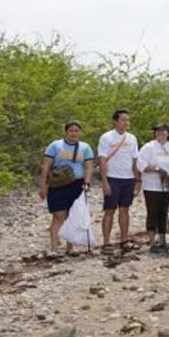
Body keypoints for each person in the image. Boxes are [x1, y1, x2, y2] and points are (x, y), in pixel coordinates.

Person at [39, 120, 94, 256]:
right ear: (66, 132)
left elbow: (88, 166)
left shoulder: (85, 147)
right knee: (58, 215)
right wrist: (43, 186)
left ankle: (70, 247)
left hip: (76, 184)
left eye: (76, 131)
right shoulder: (55, 146)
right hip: (58, 184)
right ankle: (54, 247)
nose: (74, 133)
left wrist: (87, 182)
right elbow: (46, 166)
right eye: (71, 130)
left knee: (72, 215)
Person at [97, 108, 140, 253]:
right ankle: (106, 242)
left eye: (127, 120)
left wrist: (137, 181)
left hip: (128, 179)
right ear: (115, 121)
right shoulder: (106, 137)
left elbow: (135, 160)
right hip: (112, 178)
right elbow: (102, 160)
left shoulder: (132, 138)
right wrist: (104, 181)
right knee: (109, 210)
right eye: (123, 120)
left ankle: (124, 239)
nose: (126, 122)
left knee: (125, 210)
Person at [137, 123, 169, 252]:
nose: (161, 133)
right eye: (158, 131)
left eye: (164, 131)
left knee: (164, 212)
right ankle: (151, 242)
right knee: (152, 212)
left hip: (167, 186)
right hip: (151, 186)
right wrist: (157, 169)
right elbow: (140, 165)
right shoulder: (148, 147)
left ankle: (162, 240)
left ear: (168, 133)